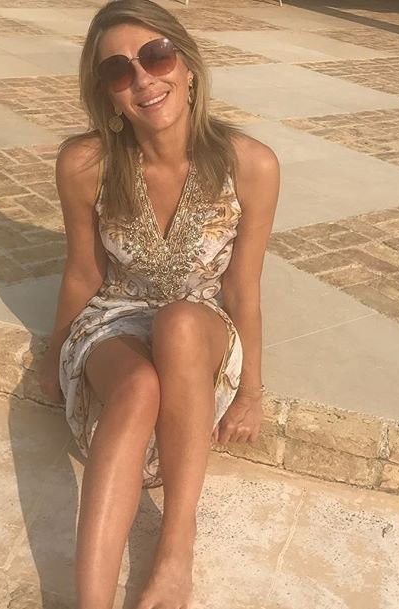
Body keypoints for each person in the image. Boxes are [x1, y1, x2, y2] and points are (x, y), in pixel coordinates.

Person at [37, 1, 279, 607]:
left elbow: (242, 287)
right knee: (139, 386)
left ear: (187, 65)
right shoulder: (86, 164)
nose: (143, 78)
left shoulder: (250, 164)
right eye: (118, 70)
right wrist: (53, 355)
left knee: (178, 323)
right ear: (107, 93)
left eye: (156, 56)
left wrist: (251, 393)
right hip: (113, 318)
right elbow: (83, 271)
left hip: (200, 327)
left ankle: (175, 549)